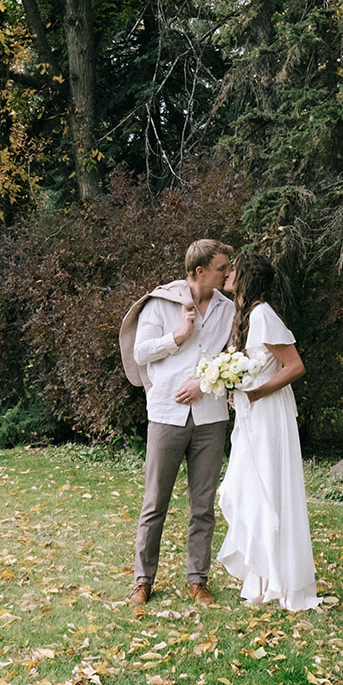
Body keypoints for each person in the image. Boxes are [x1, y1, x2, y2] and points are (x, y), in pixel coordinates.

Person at [119, 239, 234, 606]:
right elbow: (140, 351)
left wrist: (205, 383)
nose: (229, 273)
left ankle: (198, 580)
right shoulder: (161, 303)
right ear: (199, 272)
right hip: (166, 415)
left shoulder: (228, 310)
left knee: (203, 505)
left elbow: (235, 356)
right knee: (155, 503)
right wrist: (178, 337)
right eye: (222, 268)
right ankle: (142, 581)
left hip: (211, 417)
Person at [215, 253, 321, 611]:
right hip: (249, 415)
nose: (227, 273)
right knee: (249, 487)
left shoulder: (262, 314)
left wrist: (258, 391)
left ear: (245, 277)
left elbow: (294, 366)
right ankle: (260, 578)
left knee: (268, 489)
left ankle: (279, 583)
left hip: (268, 412)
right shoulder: (242, 317)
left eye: (233, 269)